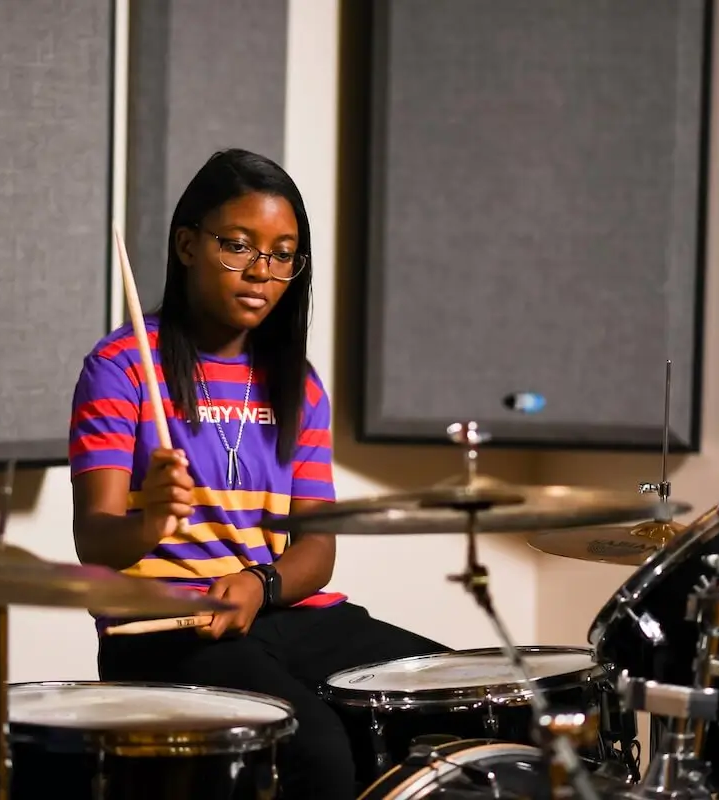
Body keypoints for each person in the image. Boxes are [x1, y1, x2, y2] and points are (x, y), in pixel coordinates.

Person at [69, 148, 447, 798]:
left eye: (281, 254)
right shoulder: (123, 366)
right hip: (168, 630)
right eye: (237, 246)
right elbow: (95, 538)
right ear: (188, 245)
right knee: (316, 751)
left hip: (277, 607)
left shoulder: (297, 385)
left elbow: (317, 550)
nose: (260, 272)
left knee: (449, 700)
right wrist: (152, 521)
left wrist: (260, 583)